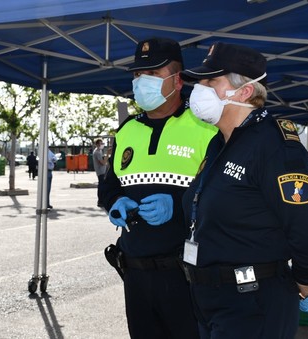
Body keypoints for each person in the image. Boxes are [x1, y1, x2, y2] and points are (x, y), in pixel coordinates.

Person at [178, 42, 308, 338]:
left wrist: (306, 280)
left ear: (245, 91)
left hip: (252, 303)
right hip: (210, 298)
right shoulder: (219, 143)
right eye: (200, 81)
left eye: (211, 81)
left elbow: (307, 227)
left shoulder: (274, 146)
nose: (199, 88)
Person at [99, 37, 217, 338]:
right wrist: (115, 202)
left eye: (152, 74)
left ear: (178, 81)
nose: (142, 82)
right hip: (135, 273)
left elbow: (224, 198)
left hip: (187, 275)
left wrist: (178, 204)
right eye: (138, 75)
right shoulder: (127, 131)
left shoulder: (206, 127)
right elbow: (109, 187)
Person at [92, 139, 108, 207]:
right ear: (97, 144)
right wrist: (108, 154)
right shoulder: (97, 152)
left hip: (103, 171)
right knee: (101, 186)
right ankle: (100, 201)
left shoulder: (100, 151)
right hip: (100, 172)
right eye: (100, 143)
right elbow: (103, 162)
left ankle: (102, 200)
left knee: (103, 186)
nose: (102, 145)